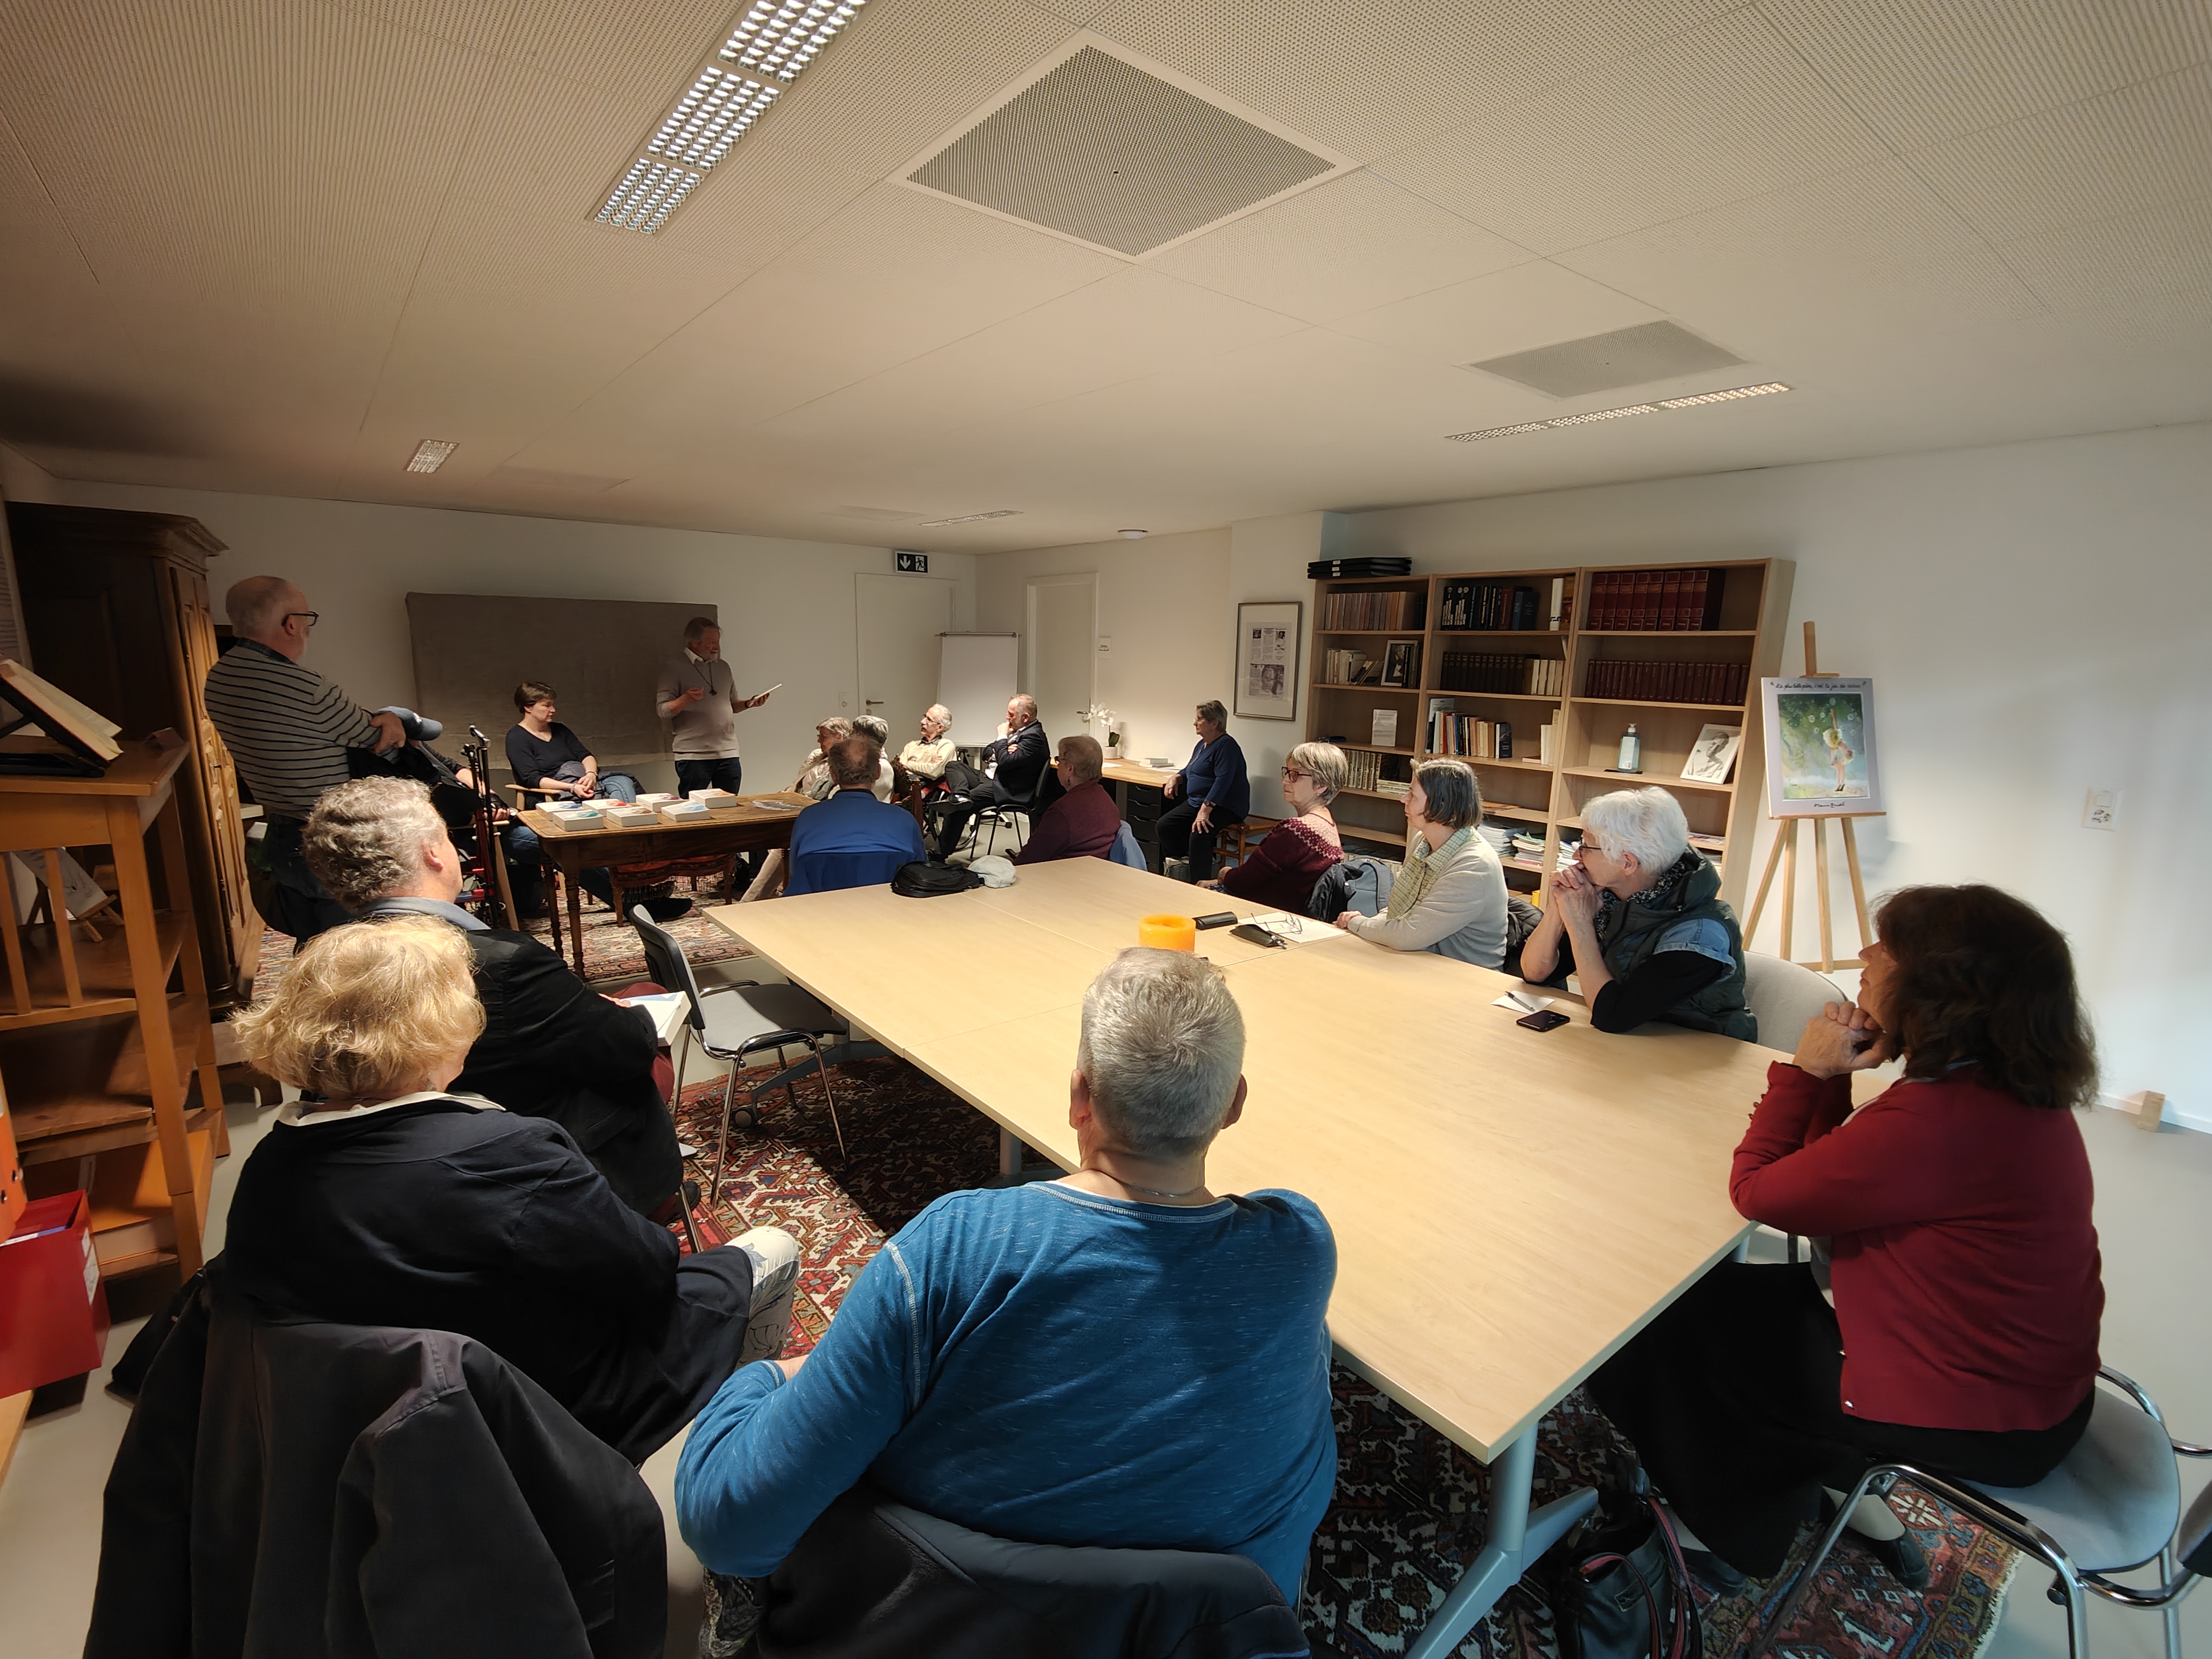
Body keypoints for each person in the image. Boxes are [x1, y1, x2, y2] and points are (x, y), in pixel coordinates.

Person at [675, 948, 1336, 1615]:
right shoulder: (1301, 1247)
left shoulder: (954, 1248)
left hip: (961, 1629)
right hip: (1220, 1632)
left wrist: (762, 1377)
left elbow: (729, 1529)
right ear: (1235, 1105)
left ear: (1078, 1097)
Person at [1585, 885, 2105, 1589]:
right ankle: (1823, 1485)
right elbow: (1835, 1190)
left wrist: (1805, 1072)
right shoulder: (2000, 1090)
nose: (1864, 955)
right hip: (2019, 1388)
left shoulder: (1940, 1122)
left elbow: (1761, 1193)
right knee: (1710, 1303)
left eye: (1886, 951)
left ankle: (1720, 1533)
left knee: (1638, 1324)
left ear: (1940, 992)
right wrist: (1830, 1084)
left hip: (1974, 1417)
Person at [222, 915, 804, 1466]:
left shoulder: (268, 1166)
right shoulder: (506, 1153)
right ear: (442, 1028)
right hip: (550, 1411)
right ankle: (739, 1450)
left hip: (383, 1425)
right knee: (771, 1249)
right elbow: (650, 1269)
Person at [302, 774, 693, 1216]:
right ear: (433, 853)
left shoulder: (325, 964)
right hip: (540, 1163)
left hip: (410, 1173)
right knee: (647, 1045)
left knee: (641, 991)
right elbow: (627, 1049)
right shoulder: (500, 961)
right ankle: (655, 1194)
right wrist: (628, 1020)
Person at [201, 575, 406, 942]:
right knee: (351, 949)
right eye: (307, 618)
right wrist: (392, 718)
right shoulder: (307, 688)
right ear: (291, 624)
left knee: (314, 942)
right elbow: (382, 742)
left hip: (282, 830)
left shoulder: (220, 677)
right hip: (336, 839)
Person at [1517, 786, 1752, 1040]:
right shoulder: (1611, 897)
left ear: (1627, 863)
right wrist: (1558, 909)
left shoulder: (1699, 933)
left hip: (1704, 1056)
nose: (1576, 855)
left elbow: (1612, 1015)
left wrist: (1580, 924)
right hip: (1638, 1043)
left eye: (1586, 846)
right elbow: (1536, 974)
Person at [503, 680, 689, 922]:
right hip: (554, 796)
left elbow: (587, 756)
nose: (553, 710)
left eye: (553, 705)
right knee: (578, 852)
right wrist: (572, 787)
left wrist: (590, 775)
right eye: (546, 705)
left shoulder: (560, 730)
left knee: (622, 781)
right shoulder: (516, 738)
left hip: (585, 784)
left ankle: (630, 853)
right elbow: (532, 778)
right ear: (528, 707)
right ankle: (633, 896)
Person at [1332, 758, 1506, 967]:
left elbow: (1409, 935)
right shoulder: (1423, 840)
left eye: (1413, 796)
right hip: (1420, 961)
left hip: (1463, 976)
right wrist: (1363, 924)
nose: (1403, 799)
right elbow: (1400, 911)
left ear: (1441, 804)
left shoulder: (1475, 866)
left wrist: (1356, 923)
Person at [1199, 743, 1346, 913]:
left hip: (1267, 916)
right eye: (1287, 773)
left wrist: (1224, 873)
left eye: (1295, 775)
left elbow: (1243, 881)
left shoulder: (1298, 831)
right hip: (1290, 914)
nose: (1284, 781)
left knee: (1198, 893)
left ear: (1321, 785)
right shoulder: (1329, 825)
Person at [784, 736, 926, 895]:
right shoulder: (905, 821)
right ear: (878, 772)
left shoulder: (808, 819)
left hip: (819, 915)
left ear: (833, 775)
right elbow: (920, 877)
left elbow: (796, 875)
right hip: (890, 914)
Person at [657, 616, 770, 799]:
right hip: (693, 755)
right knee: (693, 812)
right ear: (695, 643)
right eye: (711, 642)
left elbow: (733, 705)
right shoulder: (674, 668)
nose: (717, 647)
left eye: (718, 641)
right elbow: (663, 711)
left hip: (728, 752)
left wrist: (749, 703)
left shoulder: (723, 667)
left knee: (729, 808)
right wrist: (686, 699)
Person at [932, 694, 1049, 860]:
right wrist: (1001, 750)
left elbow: (1006, 763)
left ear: (1025, 717)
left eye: (1011, 714)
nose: (1007, 717)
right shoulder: (1017, 731)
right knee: (954, 765)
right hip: (993, 779)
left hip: (1007, 789)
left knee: (961, 809)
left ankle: (939, 855)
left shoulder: (1034, 737)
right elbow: (989, 750)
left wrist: (1002, 738)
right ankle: (960, 795)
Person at [1158, 701, 1249, 882]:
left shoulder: (1227, 746)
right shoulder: (1203, 744)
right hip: (1198, 802)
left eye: (1199, 719)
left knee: (1199, 836)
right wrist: (1176, 777)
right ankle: (1186, 865)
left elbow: (1223, 781)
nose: (1195, 723)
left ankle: (1199, 885)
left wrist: (1206, 809)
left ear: (1214, 723)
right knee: (1166, 826)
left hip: (1224, 805)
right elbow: (1191, 769)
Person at [1012, 736, 1120, 865]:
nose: (1058, 765)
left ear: (1070, 769)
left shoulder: (1062, 812)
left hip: (1062, 876)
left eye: (1059, 760)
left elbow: (1028, 860)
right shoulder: (1107, 801)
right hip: (1094, 873)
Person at [791, 717, 854, 800]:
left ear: (839, 737)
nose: (819, 741)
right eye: (819, 736)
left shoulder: (846, 763)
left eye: (823, 737)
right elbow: (797, 782)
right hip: (796, 799)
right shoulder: (816, 755)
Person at [896, 704, 957, 784]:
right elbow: (899, 769)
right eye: (924, 717)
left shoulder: (946, 746)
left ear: (940, 728)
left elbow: (933, 772)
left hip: (930, 793)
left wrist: (909, 764)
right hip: (905, 788)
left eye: (929, 720)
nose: (922, 722)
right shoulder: (911, 745)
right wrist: (928, 765)